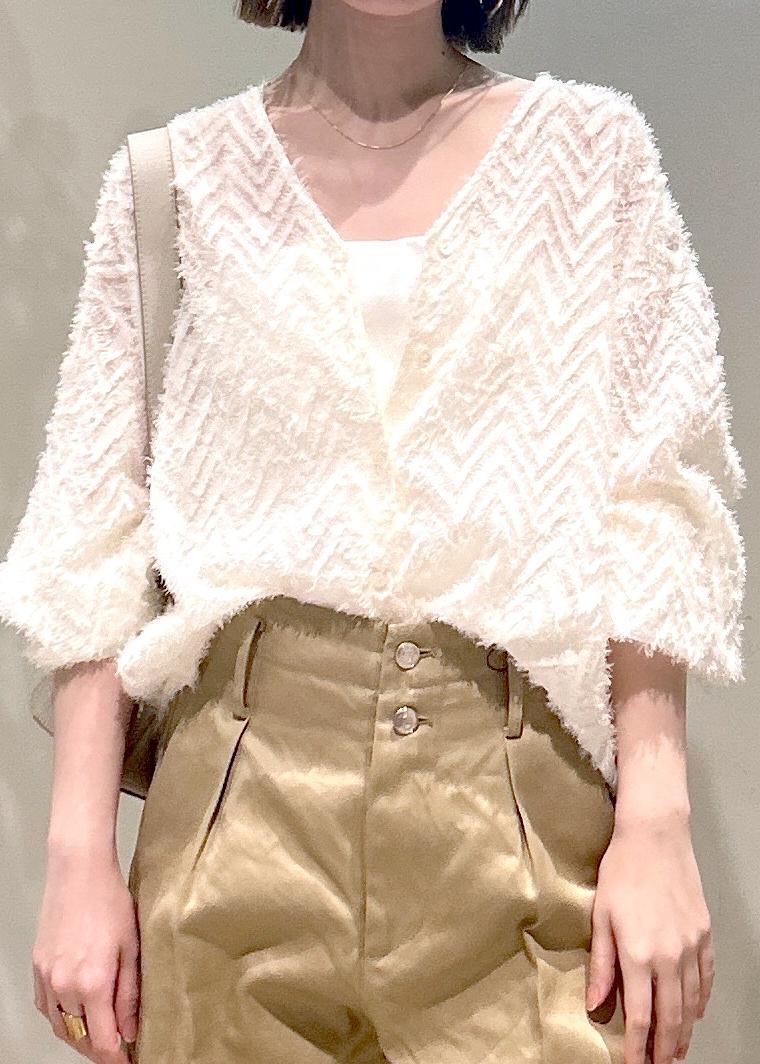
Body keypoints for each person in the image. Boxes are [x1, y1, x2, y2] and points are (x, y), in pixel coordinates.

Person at [0, 1, 747, 1062]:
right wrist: (77, 859)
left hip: (516, 796)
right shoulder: (175, 179)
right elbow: (91, 528)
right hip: (238, 804)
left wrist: (658, 822)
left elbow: (660, 493)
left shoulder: (592, 153)